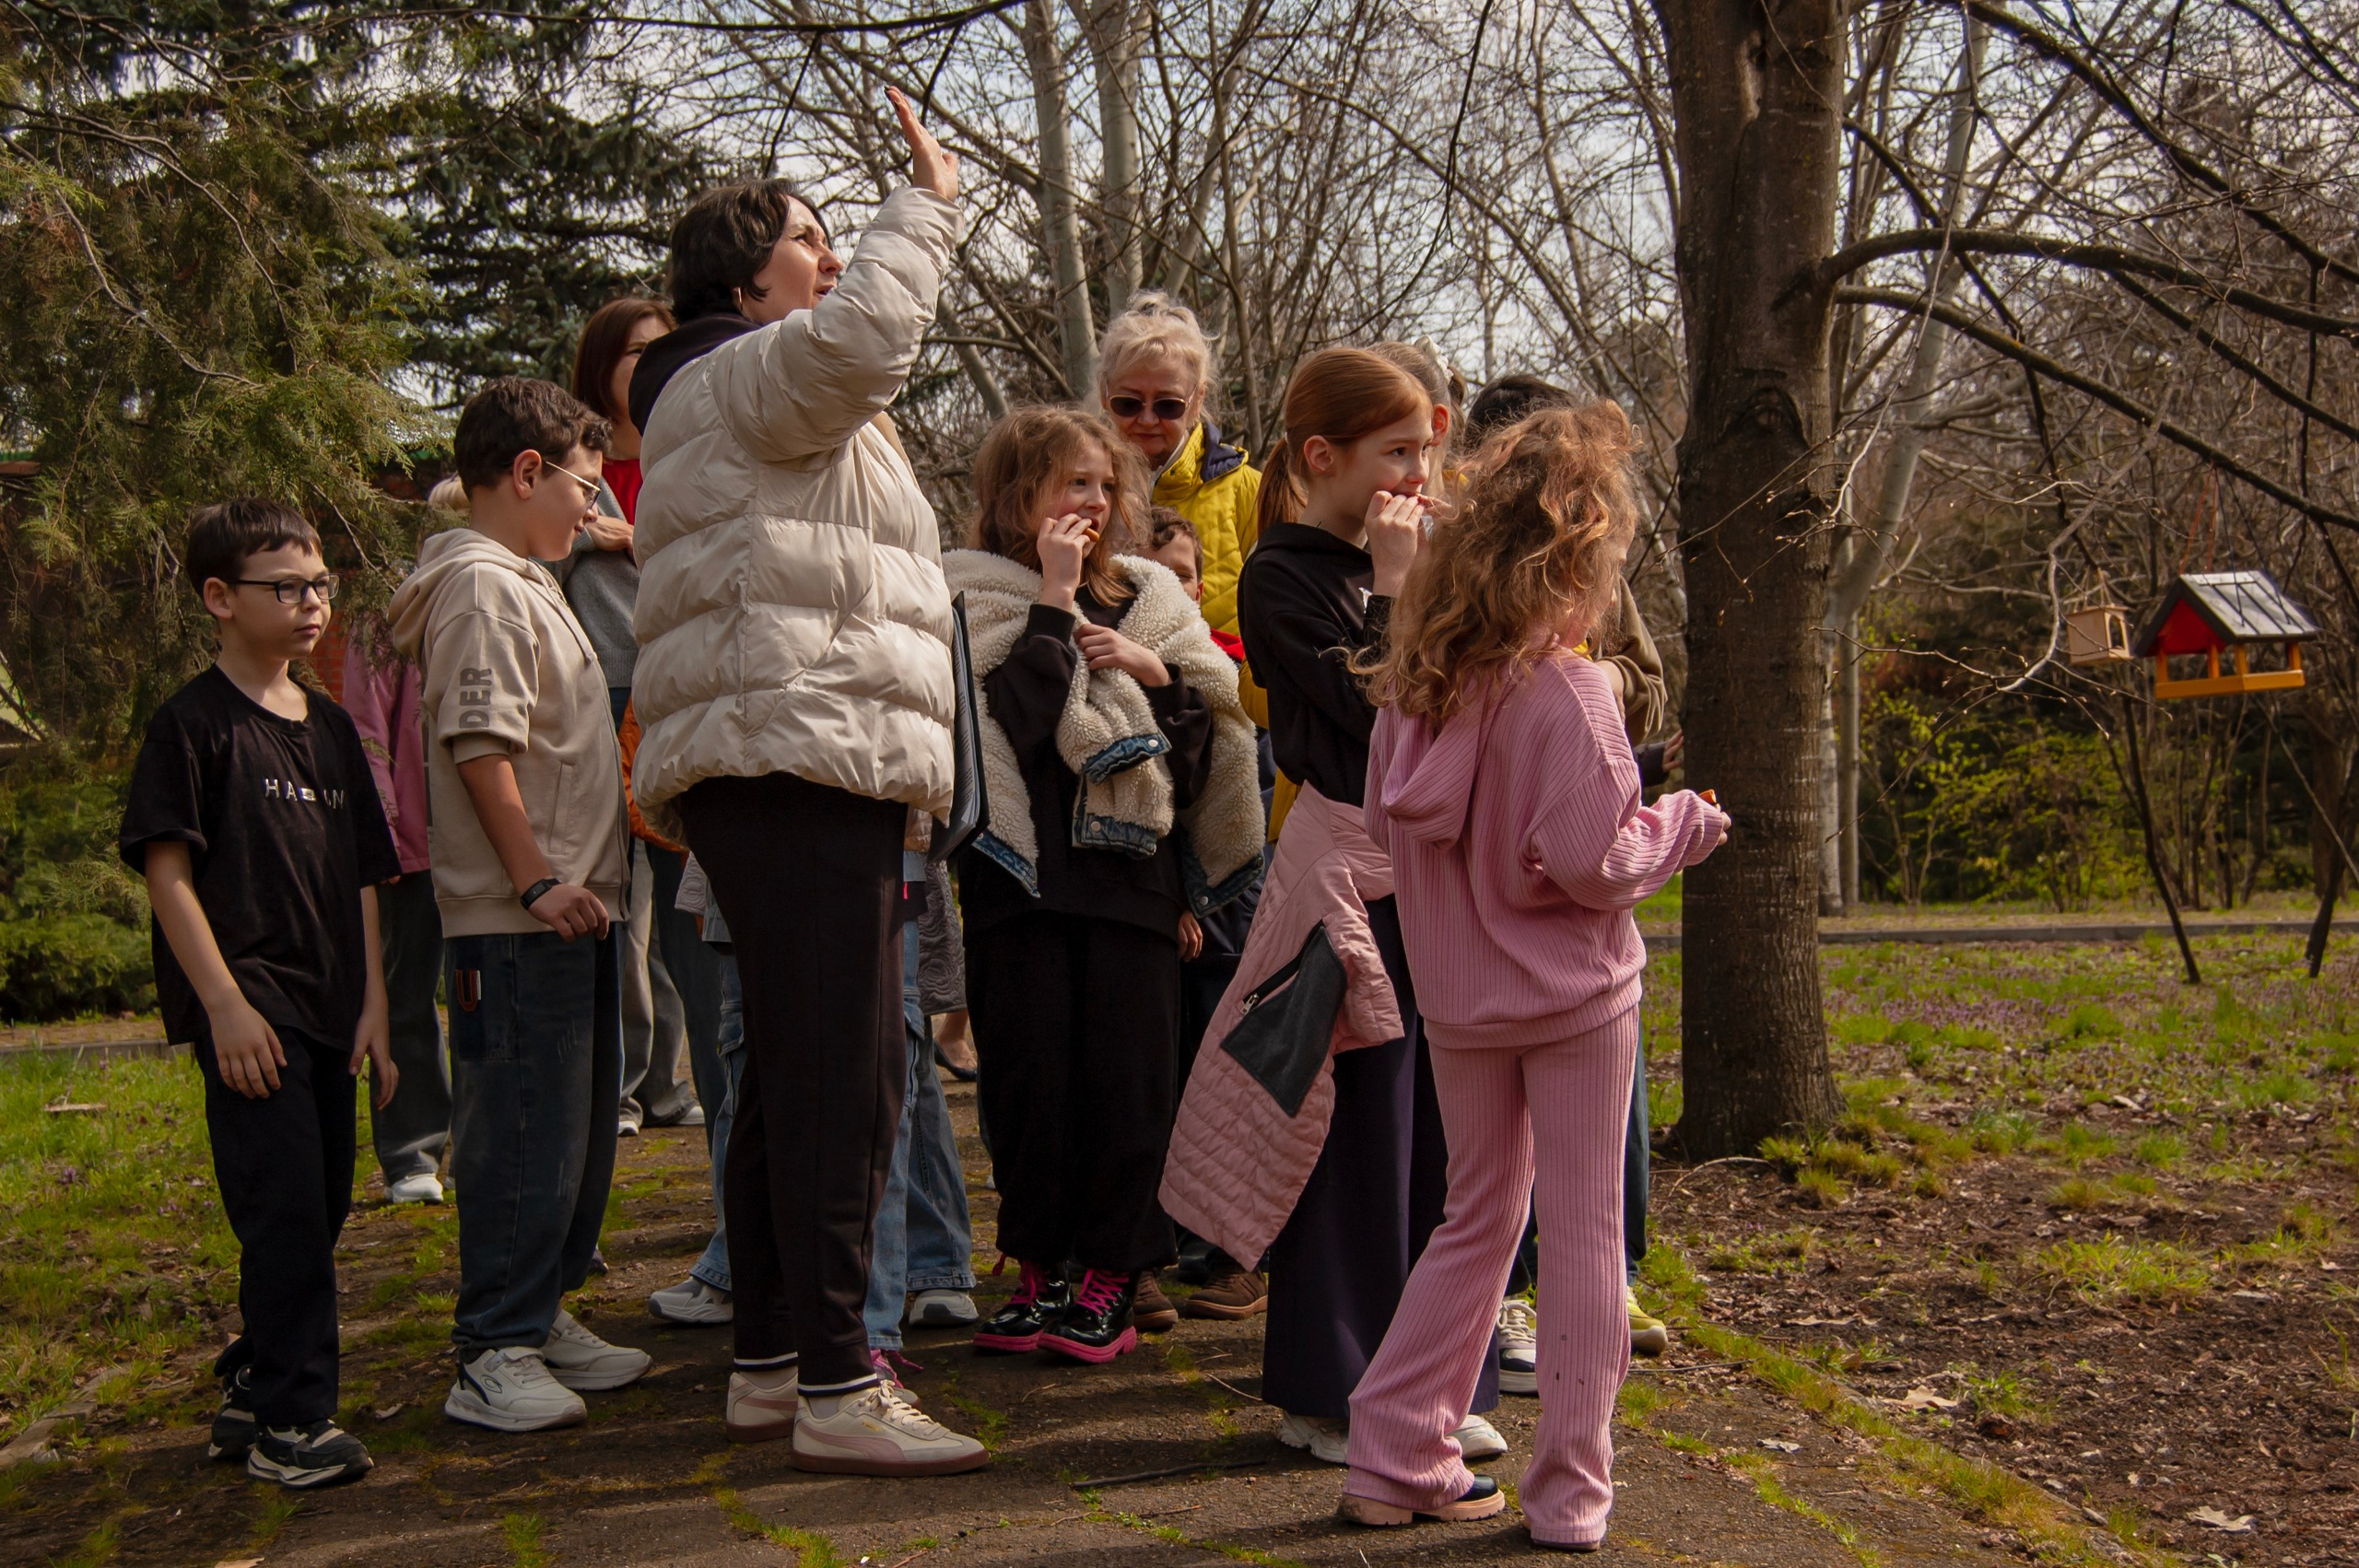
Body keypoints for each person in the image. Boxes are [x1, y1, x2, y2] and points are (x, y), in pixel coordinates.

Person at [628, 89, 990, 1477]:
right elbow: (872, 338)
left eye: (846, 235)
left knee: (794, 1074)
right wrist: (927, 201)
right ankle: (846, 1375)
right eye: (812, 237)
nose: (835, 257)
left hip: (791, 756)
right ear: (741, 274)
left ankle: (776, 1358)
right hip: (801, 755)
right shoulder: (741, 369)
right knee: (847, 1075)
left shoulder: (727, 394)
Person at [1340, 403, 1728, 1544]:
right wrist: (1684, 827)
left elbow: (1382, 823)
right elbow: (1595, 861)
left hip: (1457, 999)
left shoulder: (1415, 689)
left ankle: (1393, 1449)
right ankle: (1570, 1491)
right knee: (1583, 1231)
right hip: (1570, 1001)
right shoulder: (1572, 693)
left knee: (1475, 1218)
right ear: (1574, 562)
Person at [1164, 345, 1505, 1469]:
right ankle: (1327, 1387)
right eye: (1396, 451)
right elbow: (1378, 719)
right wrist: (1402, 592)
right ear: (1324, 457)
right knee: (1353, 1132)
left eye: (1426, 448)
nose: (1418, 471)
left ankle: (1428, 1384)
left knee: (1442, 1145)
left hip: (1437, 878)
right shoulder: (1283, 574)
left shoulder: (1419, 557)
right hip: (1346, 881)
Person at [945, 406, 1262, 1364]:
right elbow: (1018, 720)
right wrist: (1052, 594)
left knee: (1126, 1086)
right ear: (1016, 499)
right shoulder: (971, 595)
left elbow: (1211, 736)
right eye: (1068, 483)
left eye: (1101, 483)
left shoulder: (1152, 594)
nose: (1092, 500)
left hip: (1131, 889)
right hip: (1020, 888)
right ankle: (1039, 1266)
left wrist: (1155, 673)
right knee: (1029, 1084)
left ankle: (1112, 1277)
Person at [123, 498, 401, 1490]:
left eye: (320, 583)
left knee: (319, 1204)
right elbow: (168, 874)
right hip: (253, 1011)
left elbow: (366, 875)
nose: (311, 602)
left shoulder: (327, 728)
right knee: (281, 1210)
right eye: (284, 586)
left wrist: (374, 1005)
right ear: (218, 598)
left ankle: (251, 1378)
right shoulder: (191, 726)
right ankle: (294, 1420)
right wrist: (224, 1005)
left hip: (332, 1006)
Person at [389, 376, 649, 1434]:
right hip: (519, 915)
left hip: (573, 907)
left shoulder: (532, 579)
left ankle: (537, 1316)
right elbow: (481, 745)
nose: (594, 511)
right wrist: (536, 877)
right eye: (583, 488)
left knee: (577, 1133)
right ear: (526, 472)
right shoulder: (484, 586)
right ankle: (491, 1344)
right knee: (525, 1128)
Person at [1461, 373, 1674, 1379]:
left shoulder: (1590, 608)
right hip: (1544, 943)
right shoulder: (1446, 596)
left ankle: (1601, 1285)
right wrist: (1687, 829)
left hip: (1509, 943)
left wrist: (1588, 669)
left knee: (1583, 1168)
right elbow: (1604, 863)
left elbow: (1648, 683)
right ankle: (1519, 1313)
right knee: (1502, 1184)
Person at [563, 296, 710, 1137]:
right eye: (635, 352)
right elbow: (476, 507)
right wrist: (594, 534)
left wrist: (631, 539)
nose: (652, 364)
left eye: (663, 348)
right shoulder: (570, 454)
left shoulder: (690, 449)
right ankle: (619, 1087)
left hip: (672, 689)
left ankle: (667, 1083)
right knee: (614, 906)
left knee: (680, 901)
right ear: (600, 364)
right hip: (596, 693)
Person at [1139, 509, 1273, 1322]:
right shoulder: (1104, 672)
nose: (1173, 588)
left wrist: (1200, 899)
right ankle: (1147, 1252)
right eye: (1153, 573)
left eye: (1184, 574)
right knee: (1154, 1084)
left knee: (1233, 1078)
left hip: (1230, 911)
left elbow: (1242, 806)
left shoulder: (1230, 674)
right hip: (1151, 918)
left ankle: (1238, 1253)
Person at [342, 606, 448, 1207]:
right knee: (405, 1000)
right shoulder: (383, 612)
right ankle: (413, 1148)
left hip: (490, 845)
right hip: (410, 842)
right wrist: (381, 826)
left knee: (490, 1003)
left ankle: (478, 1146)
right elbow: (365, 723)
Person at [1097, 293, 1262, 636]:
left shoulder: (1247, 489)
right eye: (1128, 403)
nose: (1146, 418)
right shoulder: (1077, 490)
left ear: (1196, 400)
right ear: (1104, 396)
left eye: (1168, 405)